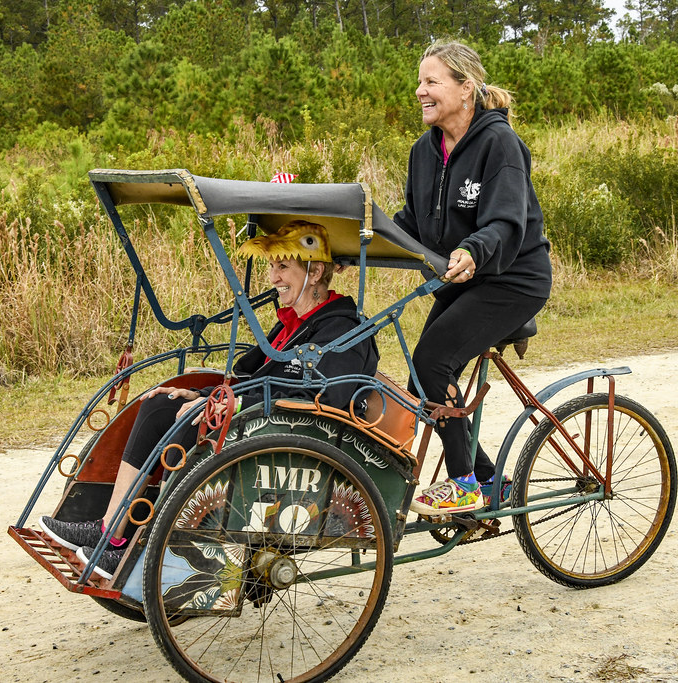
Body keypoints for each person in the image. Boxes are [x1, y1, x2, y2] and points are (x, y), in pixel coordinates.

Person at [40, 220, 379, 578]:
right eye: (271, 267)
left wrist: (226, 402)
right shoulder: (293, 321)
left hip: (296, 429)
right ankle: (111, 531)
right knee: (159, 406)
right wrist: (202, 393)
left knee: (191, 422)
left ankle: (143, 549)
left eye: (283, 267)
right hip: (260, 412)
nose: (273, 278)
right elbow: (256, 376)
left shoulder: (343, 328)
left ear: (315, 272)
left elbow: (324, 394)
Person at [393, 41, 552, 516]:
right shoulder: (424, 151)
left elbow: (505, 221)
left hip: (512, 277)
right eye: (419, 82)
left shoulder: (498, 142)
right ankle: (487, 480)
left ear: (467, 88)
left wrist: (472, 249)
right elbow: (412, 222)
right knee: (424, 377)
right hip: (463, 278)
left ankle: (463, 485)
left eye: (432, 82)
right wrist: (351, 248)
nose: (420, 91)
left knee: (433, 361)